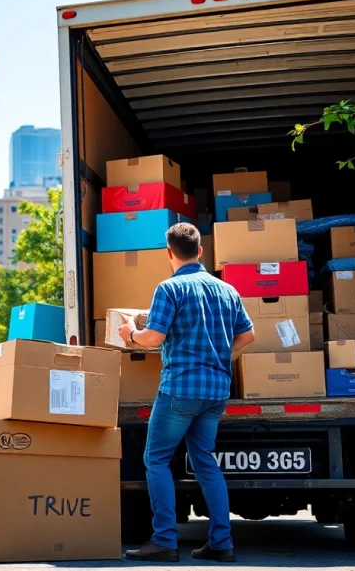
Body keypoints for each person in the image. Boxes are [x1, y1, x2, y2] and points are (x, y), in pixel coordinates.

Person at [119, 222, 255, 563]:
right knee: (205, 462)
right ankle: (221, 543)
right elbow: (248, 336)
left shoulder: (169, 289)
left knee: (157, 459)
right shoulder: (227, 290)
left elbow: (153, 337)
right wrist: (222, 357)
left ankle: (164, 541)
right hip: (216, 391)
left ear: (168, 254)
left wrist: (129, 334)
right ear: (201, 251)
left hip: (180, 389)